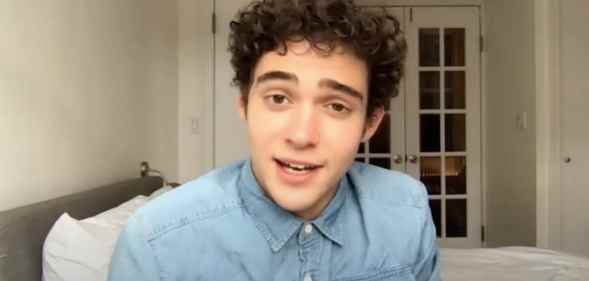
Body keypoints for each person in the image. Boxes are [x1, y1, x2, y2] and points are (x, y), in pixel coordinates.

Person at [108, 0, 440, 280]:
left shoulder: (407, 212)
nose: (301, 135)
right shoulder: (155, 242)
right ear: (244, 104)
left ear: (370, 123)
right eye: (279, 98)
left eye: (337, 106)